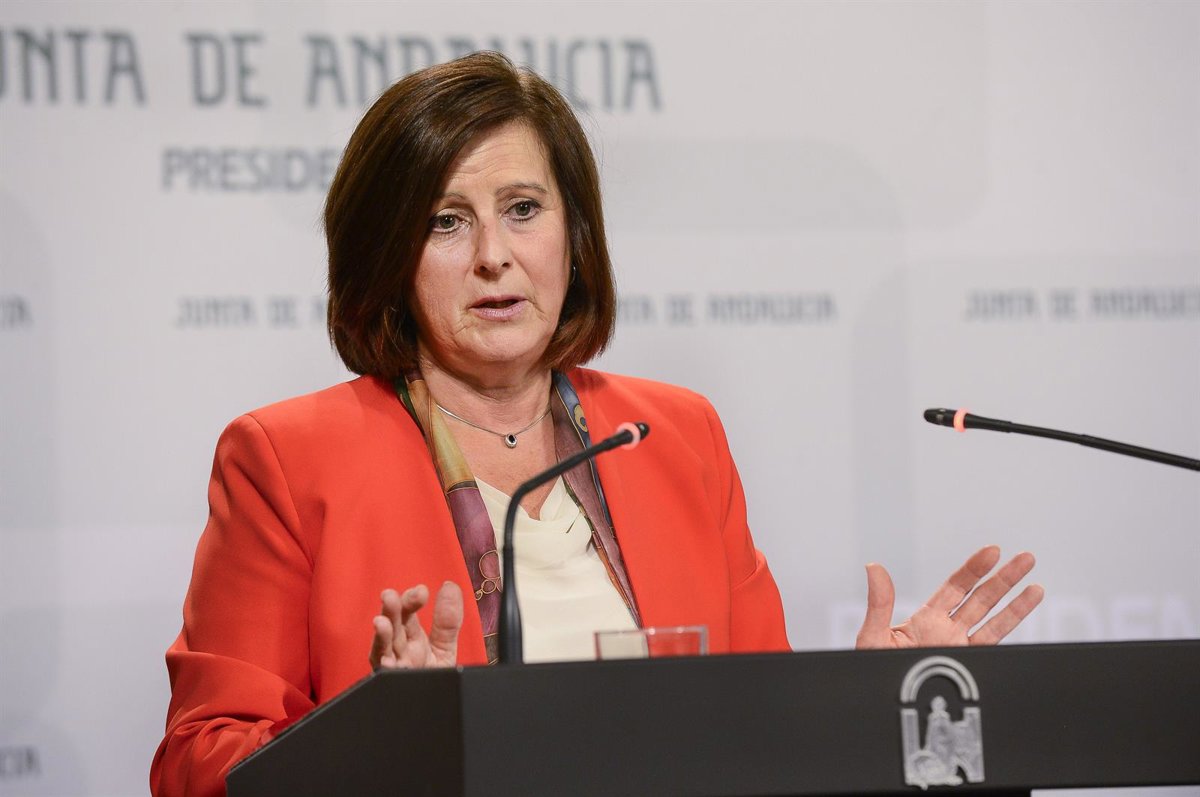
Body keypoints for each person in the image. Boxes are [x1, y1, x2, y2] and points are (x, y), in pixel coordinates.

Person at [150, 52, 1043, 797]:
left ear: (574, 236)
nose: (495, 256)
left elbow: (758, 726)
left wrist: (871, 710)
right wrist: (375, 738)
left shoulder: (676, 434)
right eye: (446, 222)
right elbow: (196, 762)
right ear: (387, 255)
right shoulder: (287, 458)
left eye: (524, 209)